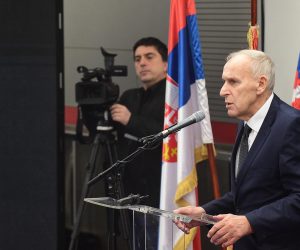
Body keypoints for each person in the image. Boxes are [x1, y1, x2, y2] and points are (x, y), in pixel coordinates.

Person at [174, 49, 300, 250]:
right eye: (224, 81)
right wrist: (204, 213)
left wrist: (249, 222)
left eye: (233, 82)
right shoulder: (244, 123)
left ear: (260, 84)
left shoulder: (291, 125)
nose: (223, 91)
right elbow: (244, 195)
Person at [110, 37, 167, 249]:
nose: (142, 63)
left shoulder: (173, 98)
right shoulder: (129, 97)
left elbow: (167, 136)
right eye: (137, 59)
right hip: (128, 191)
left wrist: (130, 120)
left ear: (165, 63)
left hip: (159, 194)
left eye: (149, 57)